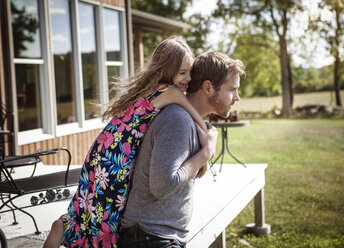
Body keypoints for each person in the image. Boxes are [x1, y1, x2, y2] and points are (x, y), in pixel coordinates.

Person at [43, 36, 208, 248]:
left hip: (107, 146)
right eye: (182, 72)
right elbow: (195, 115)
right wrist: (206, 142)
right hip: (117, 153)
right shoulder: (171, 92)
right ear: (167, 69)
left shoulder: (151, 89)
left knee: (94, 202)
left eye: (190, 72)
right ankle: (66, 229)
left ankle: (67, 227)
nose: (187, 78)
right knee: (109, 208)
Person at [118, 51, 246, 247]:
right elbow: (163, 186)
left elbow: (188, 173)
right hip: (150, 237)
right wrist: (206, 153)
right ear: (208, 87)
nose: (237, 97)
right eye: (232, 89)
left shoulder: (188, 120)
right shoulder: (177, 120)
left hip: (154, 235)